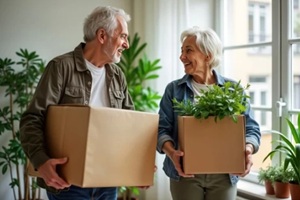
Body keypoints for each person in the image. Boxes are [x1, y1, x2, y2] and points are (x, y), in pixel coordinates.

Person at [20, 6, 134, 200]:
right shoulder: (61, 67)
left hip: (108, 181)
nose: (127, 44)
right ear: (101, 35)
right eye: (123, 36)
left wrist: (139, 161)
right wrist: (41, 161)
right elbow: (32, 119)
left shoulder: (117, 76)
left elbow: (130, 124)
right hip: (67, 183)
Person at [156, 27, 261, 200]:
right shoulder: (174, 90)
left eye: (188, 51)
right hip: (185, 174)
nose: (182, 57)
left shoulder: (233, 90)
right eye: (182, 51)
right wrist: (172, 153)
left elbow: (250, 128)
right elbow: (162, 129)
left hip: (224, 174)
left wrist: (247, 151)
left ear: (208, 55)